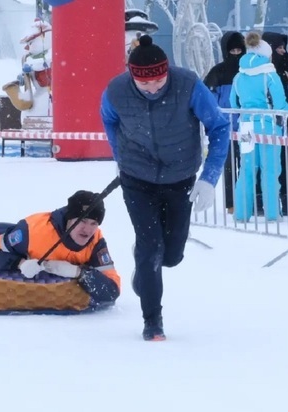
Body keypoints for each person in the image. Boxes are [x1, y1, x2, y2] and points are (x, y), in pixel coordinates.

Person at [100, 35, 230, 341]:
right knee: (151, 248)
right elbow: (109, 121)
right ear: (132, 77)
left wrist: (209, 178)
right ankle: (152, 321)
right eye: (145, 84)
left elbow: (219, 127)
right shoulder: (117, 90)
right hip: (137, 180)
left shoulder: (187, 84)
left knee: (171, 255)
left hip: (180, 178)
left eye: (159, 80)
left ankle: (145, 260)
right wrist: (121, 157)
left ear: (167, 71)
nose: (153, 88)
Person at [230, 32, 288, 222]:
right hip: (268, 127)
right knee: (270, 170)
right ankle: (272, 214)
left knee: (247, 170)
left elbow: (233, 103)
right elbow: (281, 105)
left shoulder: (238, 76)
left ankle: (241, 213)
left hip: (246, 126)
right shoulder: (270, 76)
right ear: (266, 55)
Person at [204, 31, 245, 214]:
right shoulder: (218, 72)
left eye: (239, 50)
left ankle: (247, 201)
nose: (236, 54)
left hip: (247, 128)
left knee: (247, 168)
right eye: (233, 50)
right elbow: (208, 98)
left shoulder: (248, 70)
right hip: (226, 128)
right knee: (229, 168)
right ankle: (231, 203)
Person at [262, 31, 288, 215]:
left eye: (283, 47)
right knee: (275, 164)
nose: (282, 51)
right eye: (278, 48)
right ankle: (275, 203)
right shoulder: (264, 71)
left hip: (286, 123)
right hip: (272, 125)